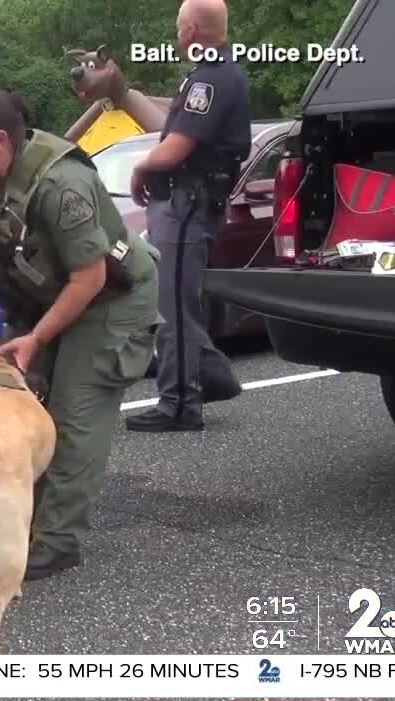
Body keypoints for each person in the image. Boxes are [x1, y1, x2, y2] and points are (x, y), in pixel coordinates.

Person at [0, 88, 159, 580]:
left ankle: (55, 542)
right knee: (22, 409)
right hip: (41, 301)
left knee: (72, 416)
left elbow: (90, 277)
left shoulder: (62, 184)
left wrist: (36, 340)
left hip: (108, 299)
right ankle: (20, 521)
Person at [126, 0, 249, 433]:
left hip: (187, 202)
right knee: (176, 302)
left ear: (193, 29)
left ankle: (179, 403)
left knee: (173, 307)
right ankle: (209, 376)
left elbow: (177, 147)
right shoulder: (212, 76)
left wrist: (141, 165)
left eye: (179, 27)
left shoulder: (212, 78)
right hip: (185, 200)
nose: (176, 36)